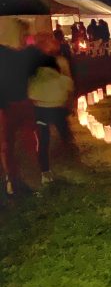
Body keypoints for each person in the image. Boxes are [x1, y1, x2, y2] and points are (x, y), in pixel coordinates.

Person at [0, 45, 47, 195]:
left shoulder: (12, 56)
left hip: (12, 105)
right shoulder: (15, 56)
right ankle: (18, 180)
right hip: (14, 104)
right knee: (14, 143)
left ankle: (14, 180)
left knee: (8, 144)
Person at [28, 53, 75, 185]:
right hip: (58, 110)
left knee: (43, 142)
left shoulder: (35, 80)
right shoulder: (62, 80)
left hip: (40, 111)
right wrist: (70, 106)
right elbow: (70, 91)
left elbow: (30, 95)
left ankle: (45, 172)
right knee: (65, 136)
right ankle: (71, 159)